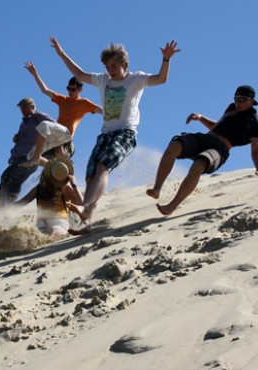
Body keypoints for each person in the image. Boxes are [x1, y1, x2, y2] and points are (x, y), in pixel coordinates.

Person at [50, 36, 180, 234]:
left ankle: (85, 209)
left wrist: (166, 59)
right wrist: (61, 54)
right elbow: (79, 74)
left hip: (125, 133)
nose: (110, 70)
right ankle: (86, 222)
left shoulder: (136, 79)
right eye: (107, 67)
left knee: (103, 167)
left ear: (124, 65)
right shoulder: (103, 80)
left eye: (113, 66)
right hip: (105, 135)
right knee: (90, 175)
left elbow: (161, 79)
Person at [146, 85, 258, 215]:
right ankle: (157, 188)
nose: (238, 102)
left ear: (251, 101)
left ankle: (171, 206)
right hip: (205, 139)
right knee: (175, 145)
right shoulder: (232, 108)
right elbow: (217, 127)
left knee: (199, 165)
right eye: (236, 99)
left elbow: (255, 149)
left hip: (219, 150)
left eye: (242, 100)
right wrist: (200, 118)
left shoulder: (253, 121)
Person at [22, 61, 102, 167]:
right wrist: (35, 74)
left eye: (73, 89)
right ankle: (56, 168)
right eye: (68, 89)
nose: (70, 91)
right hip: (57, 134)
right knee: (29, 156)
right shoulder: (63, 99)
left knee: (44, 125)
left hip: (66, 134)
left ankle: (37, 158)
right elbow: (45, 90)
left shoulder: (84, 103)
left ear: (80, 89)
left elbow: (102, 111)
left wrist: (120, 113)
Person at [0, 97, 53, 210]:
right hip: (17, 159)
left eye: (25, 107)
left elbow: (53, 127)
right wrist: (17, 138)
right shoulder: (24, 123)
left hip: (30, 159)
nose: (22, 110)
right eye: (21, 108)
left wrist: (47, 148)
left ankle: (8, 211)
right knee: (4, 179)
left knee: (14, 181)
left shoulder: (38, 117)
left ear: (32, 107)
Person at [14, 158, 83, 237]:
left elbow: (82, 204)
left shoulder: (65, 187)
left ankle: (46, 239)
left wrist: (74, 185)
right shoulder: (40, 187)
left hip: (59, 223)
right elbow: (23, 201)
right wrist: (6, 210)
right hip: (41, 225)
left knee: (52, 231)